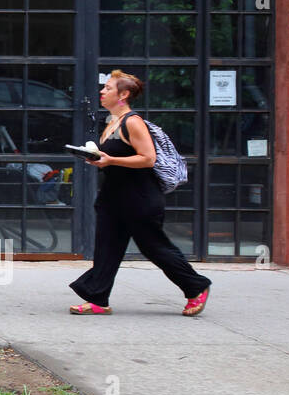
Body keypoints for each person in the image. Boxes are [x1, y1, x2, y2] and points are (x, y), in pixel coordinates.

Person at [69, 70, 211, 317]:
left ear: (123, 95)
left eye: (109, 88)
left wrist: (110, 159)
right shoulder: (111, 121)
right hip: (114, 196)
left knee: (154, 247)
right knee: (107, 247)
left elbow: (148, 159)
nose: (102, 91)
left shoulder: (132, 121)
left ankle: (196, 286)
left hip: (139, 198)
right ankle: (97, 298)